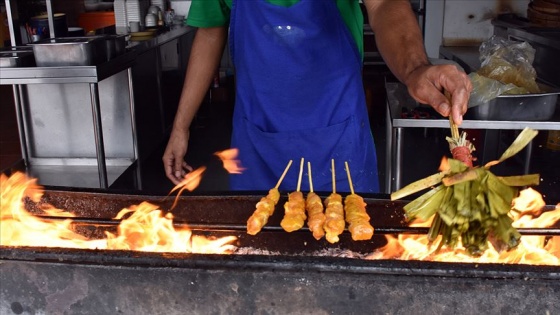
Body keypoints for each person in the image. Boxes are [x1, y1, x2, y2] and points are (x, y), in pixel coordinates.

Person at [163, 0, 472, 193]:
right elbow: (210, 32)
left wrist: (415, 68)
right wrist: (181, 127)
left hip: (338, 150)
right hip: (256, 146)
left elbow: (385, 5)